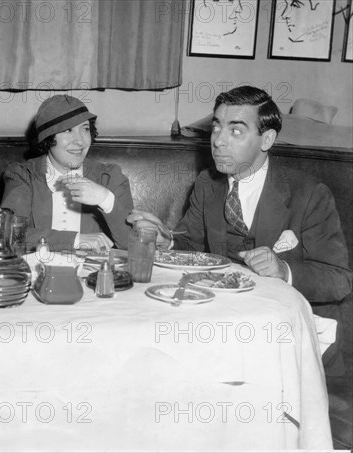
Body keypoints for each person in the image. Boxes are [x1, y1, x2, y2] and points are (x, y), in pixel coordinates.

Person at [128, 85, 352, 304]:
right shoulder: (207, 183)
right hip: (221, 308)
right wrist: (167, 241)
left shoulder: (309, 193)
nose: (218, 141)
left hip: (278, 313)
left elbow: (339, 280)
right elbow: (191, 245)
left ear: (267, 139)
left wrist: (284, 271)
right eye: (216, 128)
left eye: (235, 131)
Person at [0, 95, 134, 252]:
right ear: (48, 138)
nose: (80, 141)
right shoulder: (23, 175)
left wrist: (106, 199)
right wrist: (75, 240)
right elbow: (10, 235)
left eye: (85, 129)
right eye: (67, 130)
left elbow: (133, 244)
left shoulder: (109, 177)